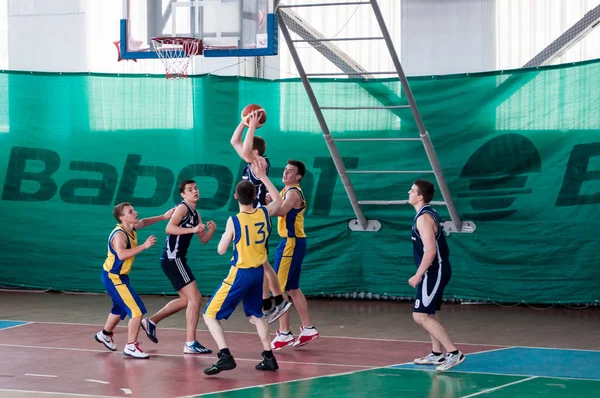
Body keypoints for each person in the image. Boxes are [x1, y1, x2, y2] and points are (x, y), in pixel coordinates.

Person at [202, 157, 282, 375]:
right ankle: (269, 357)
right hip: (258, 273)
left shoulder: (234, 220)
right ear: (256, 195)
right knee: (257, 315)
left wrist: (223, 235)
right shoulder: (265, 213)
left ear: (236, 196)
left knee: (209, 315)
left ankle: (225, 355)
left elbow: (220, 249)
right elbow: (278, 201)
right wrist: (264, 177)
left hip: (240, 273)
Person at [140, 180, 215, 354]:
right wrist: (193, 229)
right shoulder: (182, 208)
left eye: (196, 188)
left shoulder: (196, 214)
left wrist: (209, 230)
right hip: (173, 259)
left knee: (185, 300)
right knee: (195, 298)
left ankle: (151, 321)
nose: (195, 191)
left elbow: (202, 239)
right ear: (183, 195)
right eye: (190, 189)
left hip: (177, 259)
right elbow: (169, 228)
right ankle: (190, 343)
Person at [230, 111, 291, 323]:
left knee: (262, 263)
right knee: (261, 262)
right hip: (253, 219)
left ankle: (279, 300)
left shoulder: (259, 164)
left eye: (249, 149)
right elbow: (235, 141)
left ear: (255, 151)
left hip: (258, 218)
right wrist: (243, 122)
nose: (245, 151)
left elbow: (245, 149)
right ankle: (268, 303)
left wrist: (252, 126)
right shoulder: (251, 162)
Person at [95, 203, 174, 359]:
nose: (135, 212)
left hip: (119, 276)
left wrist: (163, 217)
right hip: (114, 277)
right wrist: (144, 246)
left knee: (120, 308)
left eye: (134, 209)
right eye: (131, 212)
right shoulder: (120, 235)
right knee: (136, 310)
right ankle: (131, 346)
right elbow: (122, 255)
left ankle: (105, 334)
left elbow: (143, 222)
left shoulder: (130, 228)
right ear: (122, 218)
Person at [407, 179, 465, 371]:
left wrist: (417, 275)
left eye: (413, 191)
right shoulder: (426, 213)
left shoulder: (424, 218)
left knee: (420, 315)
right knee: (429, 312)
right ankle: (437, 354)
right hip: (435, 270)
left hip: (434, 271)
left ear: (420, 197)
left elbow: (430, 252)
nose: (409, 192)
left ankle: (454, 353)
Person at [270, 160, 319, 350]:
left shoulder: (293, 192)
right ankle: (308, 328)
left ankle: (284, 333)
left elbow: (281, 210)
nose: (286, 173)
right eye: (285, 169)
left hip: (291, 242)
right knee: (292, 288)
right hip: (293, 242)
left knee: (279, 288)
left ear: (298, 177)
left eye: (290, 171)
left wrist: (263, 210)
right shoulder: (285, 191)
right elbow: (281, 209)